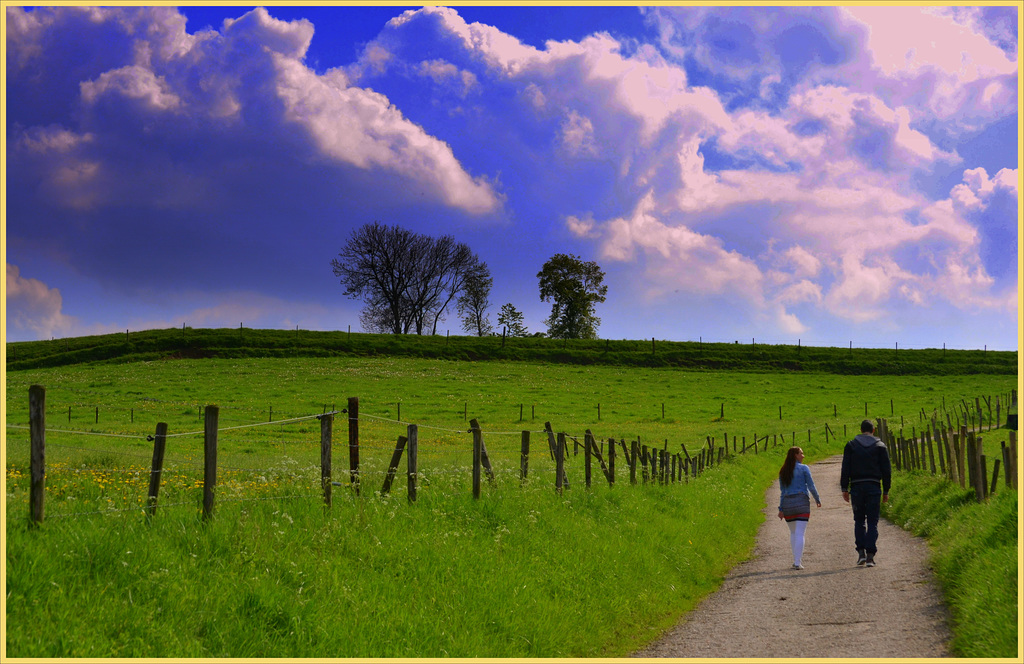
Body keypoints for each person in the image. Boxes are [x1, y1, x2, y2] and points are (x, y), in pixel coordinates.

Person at [840, 420, 892, 568]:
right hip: (874, 486)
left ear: (861, 430)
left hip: (857, 487)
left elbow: (845, 467)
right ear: (874, 430)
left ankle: (861, 553)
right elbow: (886, 470)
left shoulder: (851, 446)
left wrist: (844, 488)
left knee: (859, 520)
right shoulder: (880, 447)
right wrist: (886, 490)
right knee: (872, 521)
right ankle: (870, 556)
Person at [777, 446, 821, 570]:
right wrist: (817, 499)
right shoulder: (804, 468)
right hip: (801, 503)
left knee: (793, 532)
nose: (803, 455)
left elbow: (782, 491)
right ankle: (797, 562)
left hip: (788, 504)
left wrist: (781, 508)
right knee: (800, 533)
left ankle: (795, 560)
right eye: (801, 453)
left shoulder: (783, 471)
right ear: (795, 455)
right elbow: (811, 486)